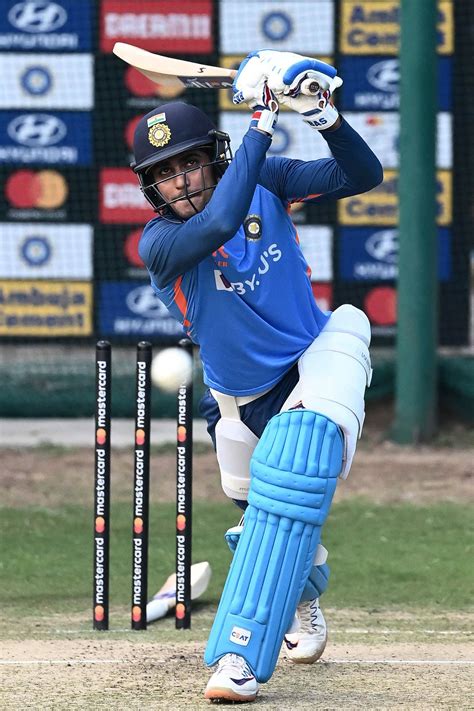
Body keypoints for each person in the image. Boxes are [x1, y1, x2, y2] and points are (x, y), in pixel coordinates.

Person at [132, 50, 383, 704]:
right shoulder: (159, 245)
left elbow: (363, 173)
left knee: (285, 495)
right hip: (237, 401)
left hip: (313, 359)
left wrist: (325, 116)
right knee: (268, 518)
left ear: (214, 157)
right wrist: (264, 117)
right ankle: (305, 594)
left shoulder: (266, 179)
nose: (181, 182)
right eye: (164, 174)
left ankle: (239, 661)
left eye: (189, 162)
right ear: (150, 189)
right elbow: (217, 221)